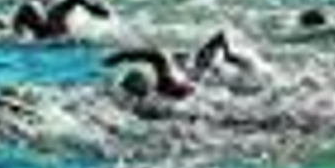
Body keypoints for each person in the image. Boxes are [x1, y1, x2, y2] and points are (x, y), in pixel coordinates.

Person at [104, 32, 250, 100]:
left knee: (204, 63)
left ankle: (229, 56)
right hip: (197, 80)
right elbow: (156, 57)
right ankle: (229, 56)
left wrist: (120, 56)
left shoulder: (164, 84)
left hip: (198, 79)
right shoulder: (161, 88)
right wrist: (120, 57)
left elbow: (156, 56)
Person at [0, 0, 112, 41]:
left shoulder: (55, 12)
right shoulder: (55, 12)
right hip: (50, 35)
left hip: (49, 35)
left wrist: (92, 9)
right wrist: (92, 9)